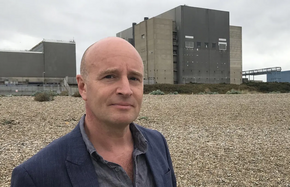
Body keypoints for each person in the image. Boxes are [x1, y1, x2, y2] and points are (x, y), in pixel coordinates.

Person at [11, 37, 176, 187]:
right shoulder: (36, 177)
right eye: (110, 76)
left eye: (134, 78)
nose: (126, 90)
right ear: (83, 87)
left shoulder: (157, 143)